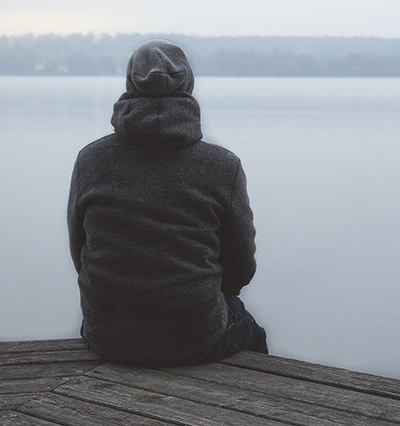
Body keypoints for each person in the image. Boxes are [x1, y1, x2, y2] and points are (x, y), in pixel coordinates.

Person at [67, 39, 267, 367]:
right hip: (196, 335)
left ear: (131, 84)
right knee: (252, 334)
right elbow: (241, 264)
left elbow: (81, 251)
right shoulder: (222, 166)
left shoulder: (90, 160)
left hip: (108, 335)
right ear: (187, 84)